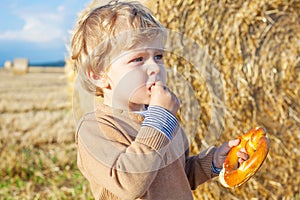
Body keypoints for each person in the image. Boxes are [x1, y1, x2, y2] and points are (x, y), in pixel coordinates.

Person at [70, 1, 249, 199]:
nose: (155, 67)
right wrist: (160, 118)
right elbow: (129, 183)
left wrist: (213, 161)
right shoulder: (95, 128)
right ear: (98, 75)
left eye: (158, 56)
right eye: (138, 59)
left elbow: (180, 175)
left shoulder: (162, 119)